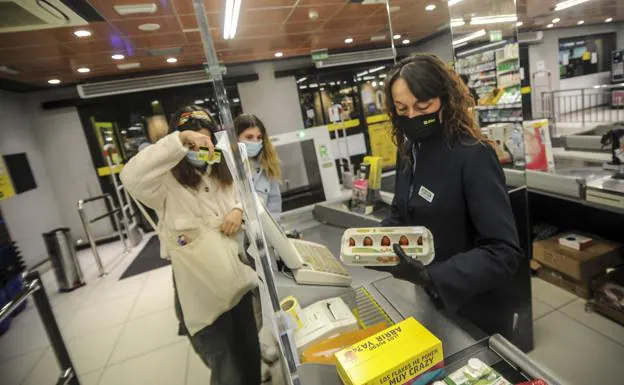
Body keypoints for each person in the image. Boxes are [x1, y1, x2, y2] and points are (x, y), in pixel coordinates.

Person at [380, 54, 523, 339]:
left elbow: (503, 252)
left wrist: (435, 276)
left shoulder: (473, 156)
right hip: (432, 302)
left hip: (476, 310)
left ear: (445, 98)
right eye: (402, 109)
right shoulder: (409, 152)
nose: (412, 117)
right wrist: (379, 243)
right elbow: (401, 211)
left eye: (423, 106)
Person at [120, 105, 261, 385]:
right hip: (203, 296)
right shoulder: (163, 185)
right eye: (193, 138)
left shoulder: (221, 174)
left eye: (205, 138)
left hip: (238, 284)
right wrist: (180, 141)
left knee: (249, 355)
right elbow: (130, 177)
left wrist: (238, 210)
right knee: (226, 368)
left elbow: (245, 196)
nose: (200, 145)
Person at [234, 113, 282, 217]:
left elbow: (274, 202)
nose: (255, 142)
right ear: (236, 137)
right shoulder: (228, 167)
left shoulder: (267, 165)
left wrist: (272, 231)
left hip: (264, 229)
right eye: (249, 137)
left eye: (259, 137)